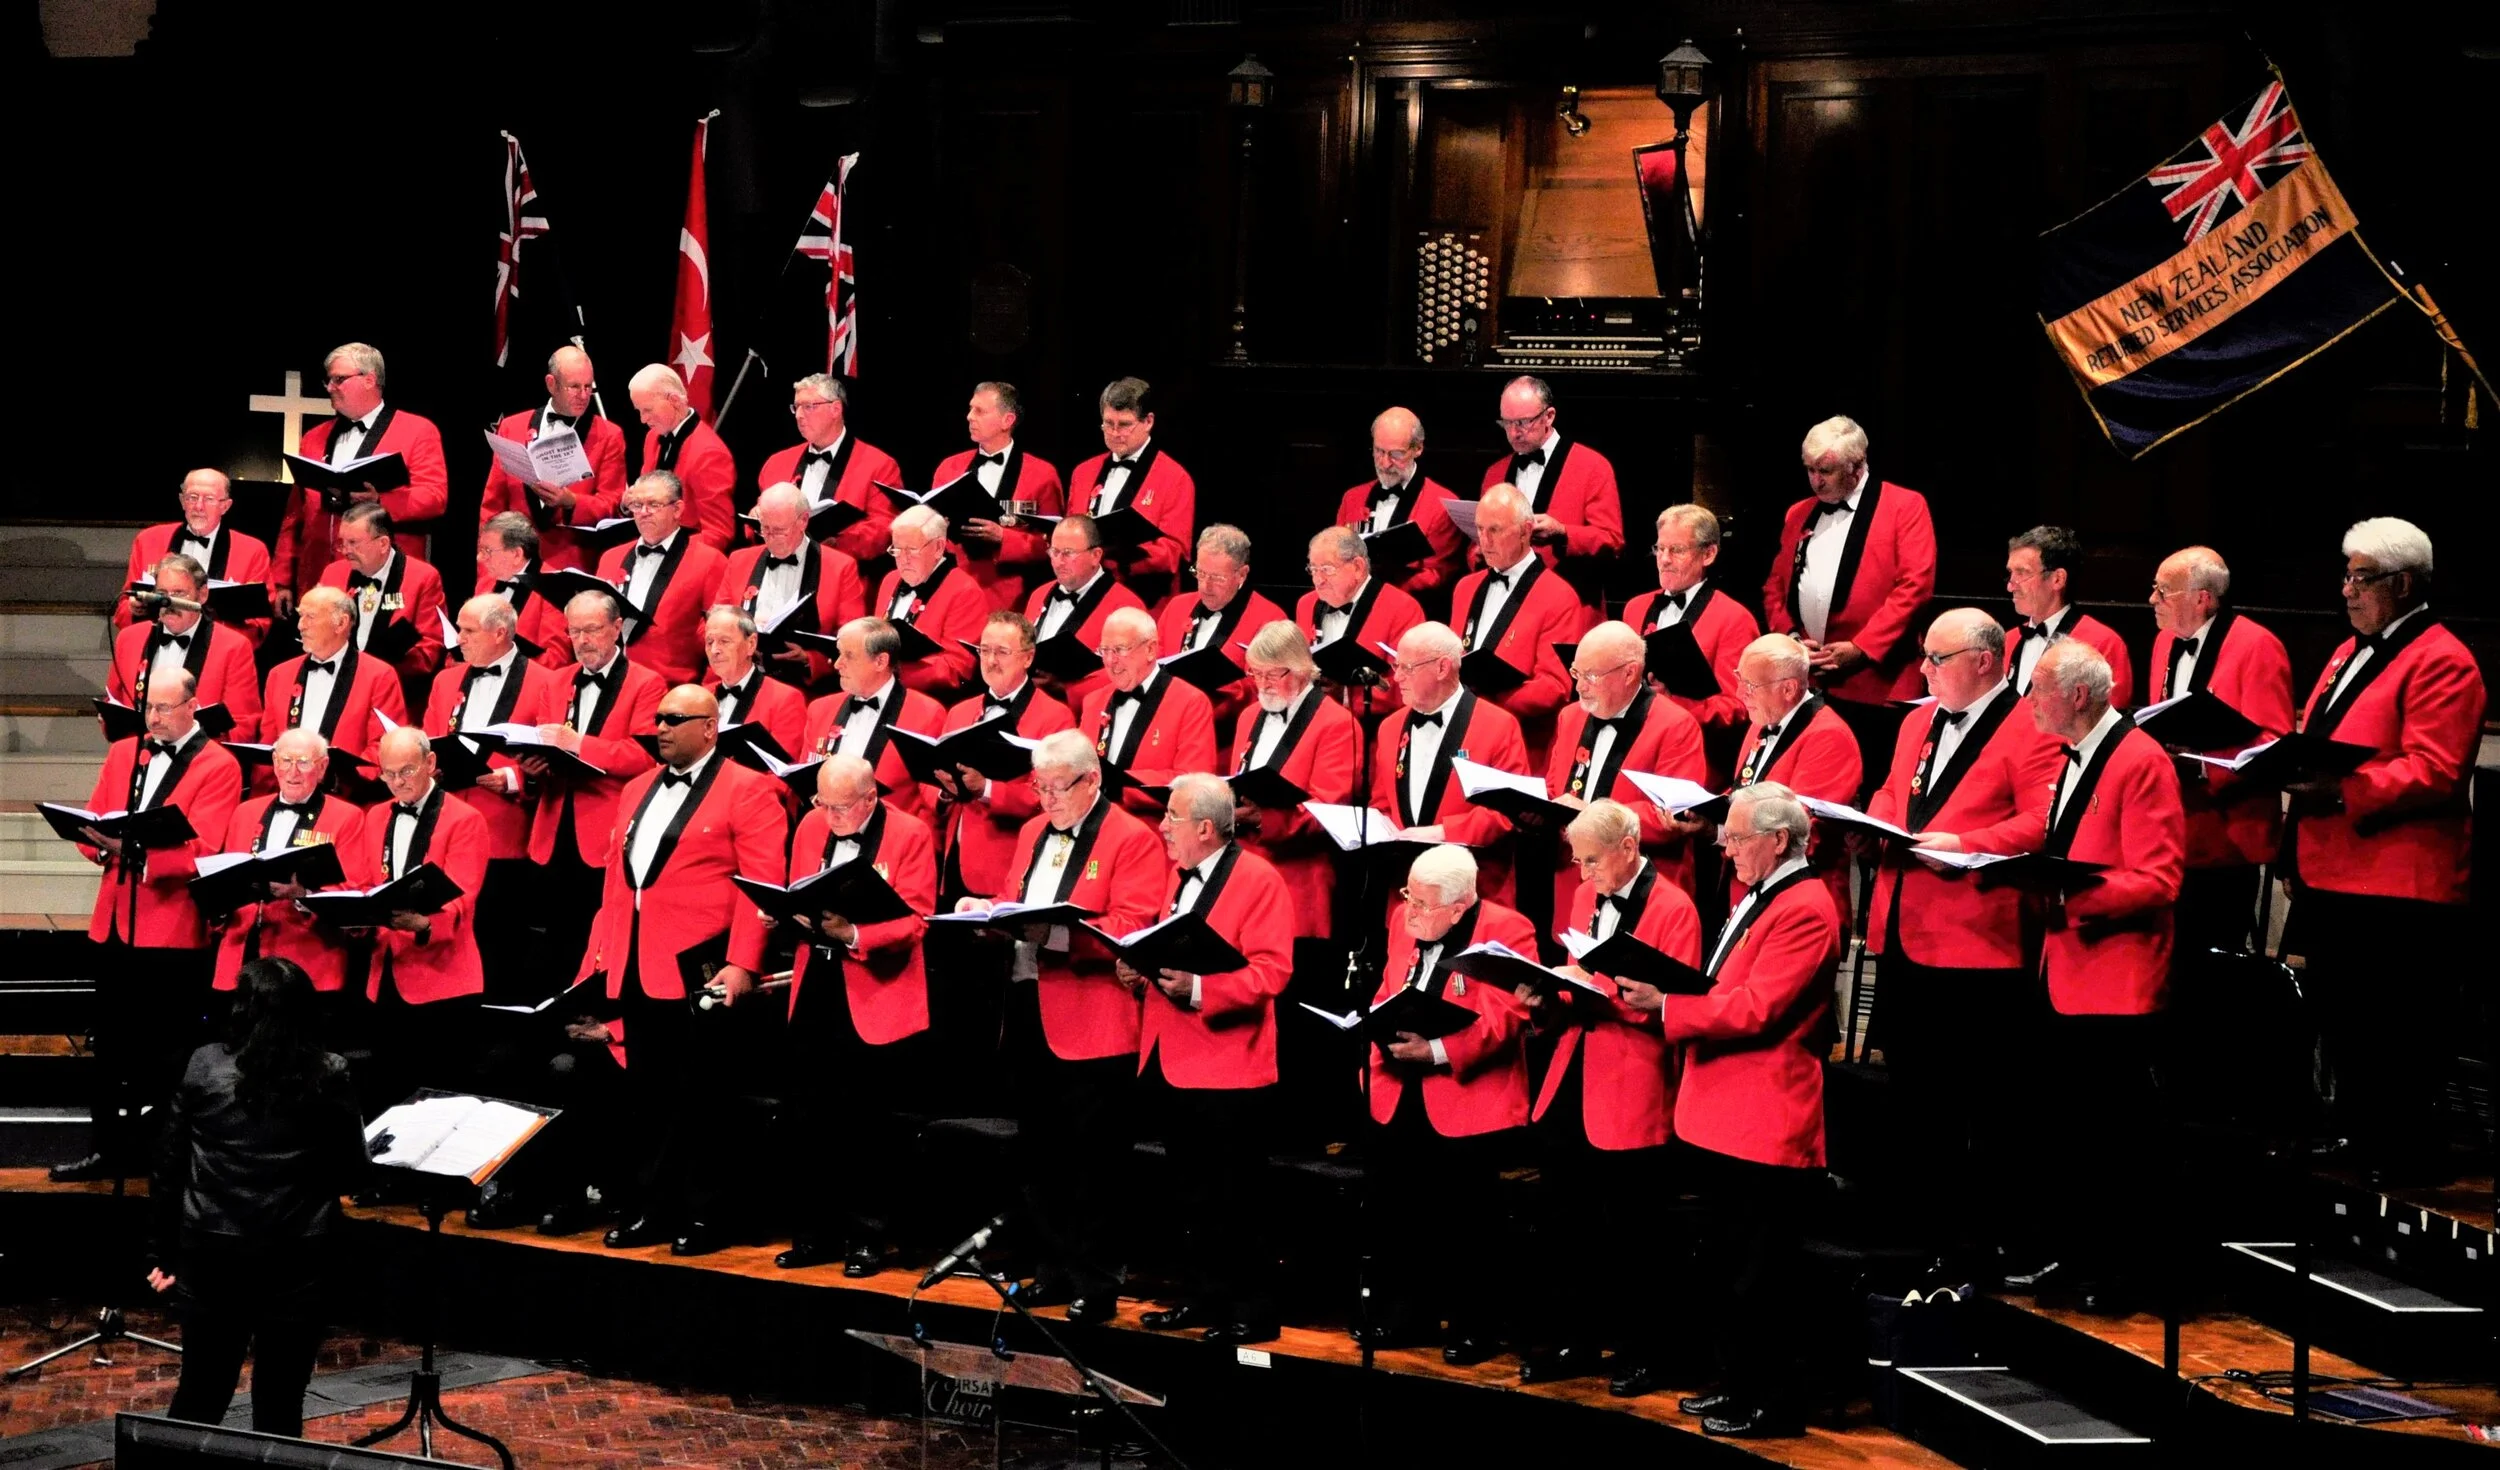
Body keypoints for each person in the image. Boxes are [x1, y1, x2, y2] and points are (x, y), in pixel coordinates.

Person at [2283, 518, 2484, 1185]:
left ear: (2401, 584)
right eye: (2345, 576)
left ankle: (2399, 1151)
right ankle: (2362, 1136)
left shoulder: (2443, 658)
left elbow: (2434, 768)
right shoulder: (2348, 651)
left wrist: (2340, 791)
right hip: (2337, 869)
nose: (2346, 590)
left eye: (2360, 578)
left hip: (2399, 880)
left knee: (2396, 1027)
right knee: (2345, 1020)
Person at [1861, 610, 2060, 1270]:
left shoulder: (2033, 722)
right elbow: (1896, 793)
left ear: (1984, 660)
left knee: (1983, 1100)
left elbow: (2047, 819)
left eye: (1936, 659)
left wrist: (1967, 844)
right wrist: (1879, 824)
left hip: (1977, 940)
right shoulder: (1918, 719)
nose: (1923, 669)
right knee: (1916, 1092)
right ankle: (1922, 1231)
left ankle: (1985, 1237)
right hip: (1906, 927)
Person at [962, 729, 1166, 1322]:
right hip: (1028, 1008)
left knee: (1094, 1161)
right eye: (1039, 786)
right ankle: (1049, 1269)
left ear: (1092, 780)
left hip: (1093, 1018)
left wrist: (1046, 934)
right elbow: (1015, 899)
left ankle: (1096, 1281)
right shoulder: (1029, 832)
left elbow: (1131, 924)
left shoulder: (1131, 837)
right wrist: (990, 917)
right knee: (1040, 1153)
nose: (1045, 798)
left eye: (1057, 787)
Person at [1662, 783, 1842, 1439]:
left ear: (1777, 840)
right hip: (1726, 1107)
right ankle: (1736, 1382)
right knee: (1727, 1265)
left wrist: (1665, 1007)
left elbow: (1758, 1009)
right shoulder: (1763, 896)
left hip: (1765, 1114)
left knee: (1762, 1276)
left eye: (1735, 837)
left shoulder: (1805, 908)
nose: (1722, 845)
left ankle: (1774, 1401)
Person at [2007, 641, 2182, 1310]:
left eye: (2039, 691)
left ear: (2079, 696)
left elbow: (2158, 879)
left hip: (2118, 979)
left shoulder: (2140, 759)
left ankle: (2123, 1272)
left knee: (2117, 1140)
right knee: (2075, 1134)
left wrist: (2066, 898)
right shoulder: (2072, 756)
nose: (2029, 704)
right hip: (2070, 972)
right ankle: (2081, 1257)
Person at [579, 685, 784, 1254]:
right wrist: (604, 954)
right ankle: (656, 1208)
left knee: (705, 1097)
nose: (661, 728)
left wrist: (744, 962)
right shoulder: (637, 787)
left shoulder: (748, 788)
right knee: (649, 1093)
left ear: (710, 727)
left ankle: (707, 1215)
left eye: (674, 719)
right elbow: (617, 881)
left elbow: (761, 888)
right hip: (638, 963)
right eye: (657, 719)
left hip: (704, 968)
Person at [1517, 800, 1699, 1395]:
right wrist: (1550, 998)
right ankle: (1576, 1338)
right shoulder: (1585, 893)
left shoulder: (1674, 909)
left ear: (1628, 847)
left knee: (1633, 1233)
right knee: (1567, 1219)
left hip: (1631, 1079)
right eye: (1576, 859)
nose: (1581, 871)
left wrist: (1609, 998)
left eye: (1591, 860)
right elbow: (1577, 976)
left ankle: (1643, 1350)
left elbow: (1675, 1008)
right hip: (1574, 1069)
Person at [148, 957, 368, 1439]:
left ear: (242, 1007)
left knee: (201, 1390)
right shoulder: (329, 1073)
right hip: (297, 1255)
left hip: (210, 1251)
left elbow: (169, 1169)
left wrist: (163, 1255)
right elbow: (351, 1171)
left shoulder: (204, 1063)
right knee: (280, 1400)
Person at [736, 756, 937, 1276]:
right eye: (823, 804)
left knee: (866, 1122)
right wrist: (782, 913)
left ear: (871, 798)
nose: (831, 815)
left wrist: (854, 935)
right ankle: (813, 1233)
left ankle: (867, 1237)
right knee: (808, 1115)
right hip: (817, 984)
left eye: (842, 807)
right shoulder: (810, 824)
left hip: (876, 990)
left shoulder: (911, 833)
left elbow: (917, 921)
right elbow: (802, 892)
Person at [1125, 774, 1295, 1345]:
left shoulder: (1258, 879)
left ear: (1203, 826)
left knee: (1236, 1194)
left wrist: (1200, 989)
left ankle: (1252, 1309)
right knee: (1190, 1192)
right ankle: (1201, 1298)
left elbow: (1272, 973)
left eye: (1171, 818)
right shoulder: (1178, 878)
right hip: (1175, 1056)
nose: (1162, 828)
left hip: (1230, 1063)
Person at [55, 670, 245, 1182]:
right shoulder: (125, 753)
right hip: (115, 923)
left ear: (193, 706)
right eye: (150, 708)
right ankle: (105, 1151)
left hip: (173, 932)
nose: (155, 718)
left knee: (167, 1055)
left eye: (165, 708)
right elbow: (92, 820)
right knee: (110, 1050)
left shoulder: (218, 765)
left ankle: (168, 1159)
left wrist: (135, 853)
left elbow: (205, 849)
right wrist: (97, 842)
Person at [1358, 843, 1535, 1361]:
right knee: (1399, 1210)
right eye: (1408, 897)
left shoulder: (1509, 929)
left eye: (1423, 904)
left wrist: (1436, 1050)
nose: (1410, 911)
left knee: (1466, 1222)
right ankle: (1404, 1316)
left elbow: (1506, 1017)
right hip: (1397, 1085)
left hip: (1464, 1092)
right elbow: (1390, 985)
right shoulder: (1402, 917)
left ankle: (1473, 1327)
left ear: (1460, 907)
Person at [1759, 415, 1935, 792]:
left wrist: (1862, 649)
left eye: (1826, 470)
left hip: (1878, 683)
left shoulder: (1904, 506)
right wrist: (1789, 636)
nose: (1815, 480)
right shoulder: (1799, 513)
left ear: (1857, 467)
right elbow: (1775, 585)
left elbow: (1914, 587)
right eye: (1809, 470)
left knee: (1875, 793)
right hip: (1811, 677)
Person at [2145, 546, 2293, 955]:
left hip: (2227, 837)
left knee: (2212, 970)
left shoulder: (2257, 645)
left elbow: (2274, 744)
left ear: (2201, 598)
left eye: (2162, 590)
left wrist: (2199, 767)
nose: (2152, 599)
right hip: (2171, 833)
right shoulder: (2163, 643)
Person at [423, 594, 569, 1000]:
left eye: (468, 631)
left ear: (500, 632)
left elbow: (551, 754)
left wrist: (514, 778)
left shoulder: (546, 681)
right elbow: (431, 738)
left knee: (498, 936)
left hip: (505, 831)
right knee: (444, 930)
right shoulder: (445, 680)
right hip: (445, 829)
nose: (459, 639)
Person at [523, 591, 665, 985]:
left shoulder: (646, 683)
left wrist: (577, 743)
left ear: (618, 629)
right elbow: (544, 747)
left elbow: (644, 756)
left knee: (599, 936)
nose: (583, 640)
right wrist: (534, 768)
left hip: (607, 831)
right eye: (574, 632)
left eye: (592, 630)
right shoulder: (555, 682)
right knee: (552, 937)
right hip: (554, 828)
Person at [349, 727, 492, 1104]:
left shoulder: (465, 818)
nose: (397, 782)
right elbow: (366, 882)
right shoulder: (376, 816)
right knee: (389, 1094)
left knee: (441, 1097)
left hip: (443, 977)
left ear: (430, 763)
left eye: (406, 771)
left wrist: (425, 924)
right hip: (386, 976)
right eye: (388, 774)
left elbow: (462, 896)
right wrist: (356, 917)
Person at [271, 342, 449, 610]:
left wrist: (381, 501)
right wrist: (282, 579)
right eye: (328, 380)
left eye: (339, 379)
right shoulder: (313, 438)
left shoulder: (417, 430)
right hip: (318, 576)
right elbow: (294, 515)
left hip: (384, 576)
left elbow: (435, 498)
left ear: (370, 379)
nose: (330, 387)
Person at [1546, 622, 1707, 911]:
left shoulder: (1676, 725)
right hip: (1575, 885)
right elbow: (1554, 788)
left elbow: (1674, 815)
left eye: (1591, 676)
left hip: (1647, 890)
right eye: (1576, 673)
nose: (1579, 686)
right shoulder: (1569, 717)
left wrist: (1592, 815)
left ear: (1630, 673)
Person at [1371, 622, 1531, 910]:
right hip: (1407, 895)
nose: (1396, 678)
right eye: (1396, 666)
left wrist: (1443, 832)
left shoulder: (1499, 725)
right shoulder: (1389, 727)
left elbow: (1508, 812)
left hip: (1476, 893)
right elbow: (1383, 803)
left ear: (1442, 668)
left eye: (1406, 668)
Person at [208, 730, 365, 1017]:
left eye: (304, 762)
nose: (293, 772)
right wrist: (218, 904)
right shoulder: (245, 812)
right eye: (285, 761)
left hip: (308, 961)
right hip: (242, 957)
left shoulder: (347, 817)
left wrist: (303, 894)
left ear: (322, 766)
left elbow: (354, 892)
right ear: (274, 762)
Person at [929, 611, 1079, 904]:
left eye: (1002, 652)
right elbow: (928, 780)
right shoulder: (960, 711)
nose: (991, 660)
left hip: (1005, 865)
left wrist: (985, 788)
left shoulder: (1056, 717)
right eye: (984, 650)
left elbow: (1050, 796)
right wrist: (944, 791)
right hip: (953, 863)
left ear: (1028, 657)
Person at [1713, 634, 1861, 917]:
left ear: (1789, 689)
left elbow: (1801, 834)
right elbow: (1745, 790)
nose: (1739, 693)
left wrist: (1722, 832)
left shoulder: (1829, 736)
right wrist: (1705, 819)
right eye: (1739, 679)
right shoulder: (1765, 718)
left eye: (1750, 685)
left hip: (1797, 905)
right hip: (1749, 892)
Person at [1449, 483, 1585, 767]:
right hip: (1463, 735)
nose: (1484, 541)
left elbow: (1555, 686)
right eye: (1480, 529)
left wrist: (1484, 704)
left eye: (1495, 530)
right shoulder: (1465, 587)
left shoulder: (1559, 595)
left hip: (1522, 745)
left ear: (1525, 531)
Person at [1621, 504, 1757, 786]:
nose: (1664, 560)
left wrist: (1672, 703)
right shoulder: (1635, 607)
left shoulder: (1734, 618)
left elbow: (1740, 707)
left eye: (1677, 551)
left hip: (1696, 759)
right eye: (1660, 549)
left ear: (1708, 554)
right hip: (1631, 751)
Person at [477, 345, 631, 571]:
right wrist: (487, 563)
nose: (583, 395)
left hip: (572, 563)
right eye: (574, 387)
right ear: (551, 384)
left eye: (588, 387)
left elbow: (612, 506)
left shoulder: (609, 435)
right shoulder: (513, 426)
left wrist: (572, 502)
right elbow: (492, 504)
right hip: (512, 560)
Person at [1482, 376, 1624, 610]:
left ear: (1549, 416)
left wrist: (1563, 533)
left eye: (1523, 422)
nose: (1514, 433)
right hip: (1506, 603)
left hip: (1572, 603)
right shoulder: (1495, 473)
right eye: (1507, 423)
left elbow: (1612, 542)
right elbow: (1474, 549)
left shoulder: (1591, 466)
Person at [712, 481, 869, 690]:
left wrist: (809, 658)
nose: (770, 538)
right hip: (741, 674)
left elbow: (853, 638)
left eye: (779, 530)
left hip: (804, 685)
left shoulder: (840, 566)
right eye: (764, 529)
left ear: (803, 520)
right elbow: (715, 621)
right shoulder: (740, 560)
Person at [799, 617, 949, 825]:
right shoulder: (820, 708)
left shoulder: (927, 713)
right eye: (839, 653)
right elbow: (806, 776)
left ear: (880, 661)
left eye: (848, 656)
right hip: (827, 830)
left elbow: (931, 793)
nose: (837, 664)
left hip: (892, 837)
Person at [930, 380, 1065, 610]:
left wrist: (1004, 538)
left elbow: (1055, 543)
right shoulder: (949, 467)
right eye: (971, 408)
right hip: (953, 588)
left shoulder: (1042, 474)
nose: (969, 416)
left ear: (1007, 420)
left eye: (980, 411)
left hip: (1011, 596)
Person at [1076, 606, 1220, 819]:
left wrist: (1121, 784)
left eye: (1120, 649)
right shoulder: (1093, 701)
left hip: (1155, 828)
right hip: (1094, 826)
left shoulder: (1190, 702)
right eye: (1104, 650)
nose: (1110, 661)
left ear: (1151, 650)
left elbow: (1193, 783)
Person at [753, 372, 901, 571]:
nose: (799, 415)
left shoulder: (879, 465)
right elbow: (755, 525)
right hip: (780, 572)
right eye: (796, 407)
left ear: (836, 409)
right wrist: (757, 518)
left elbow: (885, 528)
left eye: (809, 407)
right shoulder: (776, 463)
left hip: (841, 574)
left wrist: (836, 543)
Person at [594, 471, 730, 687]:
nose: (644, 513)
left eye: (654, 505)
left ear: (677, 509)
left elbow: (725, 640)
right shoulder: (610, 558)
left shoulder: (710, 561)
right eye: (637, 505)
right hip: (609, 687)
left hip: (672, 691)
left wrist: (705, 697)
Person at [1068, 377, 1194, 606]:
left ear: (1148, 421)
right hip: (1084, 596)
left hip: (1143, 601)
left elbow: (1175, 553)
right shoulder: (1083, 472)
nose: (1115, 433)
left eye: (1125, 424)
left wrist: (1120, 555)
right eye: (1108, 423)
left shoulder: (1174, 477)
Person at [256, 585, 408, 771]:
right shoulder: (279, 675)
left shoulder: (380, 676)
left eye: (310, 617)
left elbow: (384, 744)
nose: (300, 625)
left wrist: (339, 778)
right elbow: (269, 743)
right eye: (300, 615)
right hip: (287, 789)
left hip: (347, 793)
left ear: (341, 623)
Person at [1153, 524, 1287, 731]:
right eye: (1200, 573)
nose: (1205, 586)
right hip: (1168, 726)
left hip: (1226, 736)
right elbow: (1155, 663)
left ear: (1241, 575)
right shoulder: (1176, 607)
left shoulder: (1270, 619)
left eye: (1217, 578)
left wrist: (1229, 686)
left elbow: (1273, 690)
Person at [107, 553, 263, 731]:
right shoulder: (129, 639)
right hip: (138, 752)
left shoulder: (233, 646)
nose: (169, 602)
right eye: (162, 594)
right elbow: (113, 702)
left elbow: (243, 723)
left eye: (179, 594)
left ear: (202, 595)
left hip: (202, 755)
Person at [115, 470, 274, 643]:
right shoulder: (148, 540)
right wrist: (134, 609)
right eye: (192, 497)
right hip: (156, 644)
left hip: (219, 652)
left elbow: (260, 622)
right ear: (182, 501)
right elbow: (122, 609)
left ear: (225, 506)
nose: (199, 506)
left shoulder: (252, 550)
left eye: (209, 499)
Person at [317, 501, 448, 706]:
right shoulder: (333, 572)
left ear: (383, 544)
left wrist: (379, 671)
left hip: (396, 691)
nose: (345, 550)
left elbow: (430, 648)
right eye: (343, 542)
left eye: (354, 543)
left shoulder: (423, 577)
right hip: (335, 689)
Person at [1336, 407, 1466, 610]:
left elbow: (1438, 576)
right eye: (1379, 451)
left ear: (1418, 448)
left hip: (1409, 613)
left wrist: (1376, 589)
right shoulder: (1352, 498)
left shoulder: (1442, 504)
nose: (1385, 463)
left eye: (1396, 454)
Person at [1020, 514, 1148, 712]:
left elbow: (1133, 669)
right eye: (1054, 552)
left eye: (1068, 553)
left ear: (1096, 555)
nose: (1058, 562)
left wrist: (1066, 689)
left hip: (1084, 715)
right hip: (1031, 709)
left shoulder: (1126, 604)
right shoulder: (1039, 594)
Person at [2004, 525, 2134, 705]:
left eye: (2022, 573)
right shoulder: (2008, 641)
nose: (2010, 586)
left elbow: (2108, 723)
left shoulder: (2103, 643)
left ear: (2058, 579)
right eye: (2011, 574)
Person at [876, 503, 991, 696]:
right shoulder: (890, 580)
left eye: (912, 550)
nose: (903, 560)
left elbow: (957, 667)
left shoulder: (965, 590)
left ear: (939, 547)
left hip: (932, 701)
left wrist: (888, 672)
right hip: (885, 692)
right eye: (896, 550)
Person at [1297, 525, 1427, 694]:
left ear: (1358, 567)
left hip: (1372, 718)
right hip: (1314, 715)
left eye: (1326, 570)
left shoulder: (1402, 608)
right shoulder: (1306, 604)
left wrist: (1345, 694)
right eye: (1313, 569)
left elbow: (1410, 685)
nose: (1318, 580)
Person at [627, 364, 736, 551]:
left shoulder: (709, 453)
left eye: (648, 410)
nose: (643, 420)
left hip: (687, 555)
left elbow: (719, 532)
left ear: (674, 400)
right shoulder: (652, 437)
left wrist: (670, 553)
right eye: (639, 411)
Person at [700, 605, 808, 761]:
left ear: (751, 644)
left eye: (724, 641)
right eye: (709, 642)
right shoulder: (700, 697)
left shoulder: (785, 699)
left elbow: (782, 773)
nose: (715, 650)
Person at [474, 511, 570, 665]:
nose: (479, 558)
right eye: (480, 550)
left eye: (487, 551)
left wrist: (507, 672)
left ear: (517, 554)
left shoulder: (552, 585)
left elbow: (556, 657)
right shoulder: (485, 584)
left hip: (526, 682)